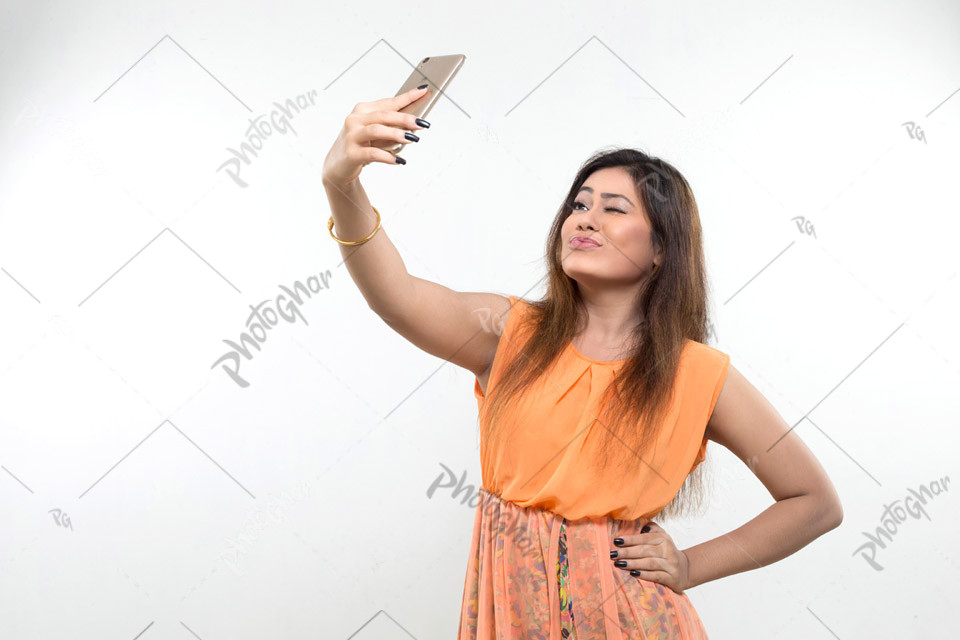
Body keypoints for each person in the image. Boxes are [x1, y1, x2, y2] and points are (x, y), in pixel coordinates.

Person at [322, 87, 844, 638]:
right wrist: (341, 183)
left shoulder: (698, 374)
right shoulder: (510, 333)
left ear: (663, 248)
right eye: (579, 204)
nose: (586, 218)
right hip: (511, 614)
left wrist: (690, 565)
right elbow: (395, 294)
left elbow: (814, 503)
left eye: (613, 209)